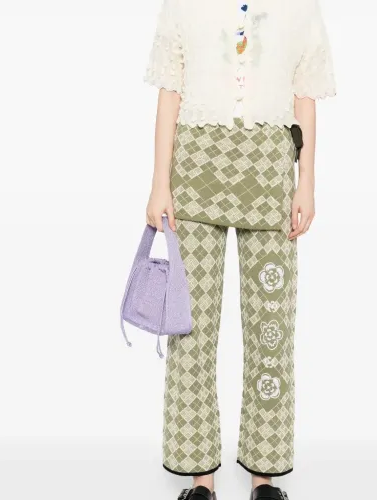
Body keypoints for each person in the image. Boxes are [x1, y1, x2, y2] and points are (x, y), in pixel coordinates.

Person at [143, 0, 335, 498]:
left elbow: (304, 95)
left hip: (270, 178)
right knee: (190, 330)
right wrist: (159, 184)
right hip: (194, 175)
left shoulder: (299, 7)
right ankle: (200, 480)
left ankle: (263, 476)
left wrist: (307, 182)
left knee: (271, 331)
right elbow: (170, 92)